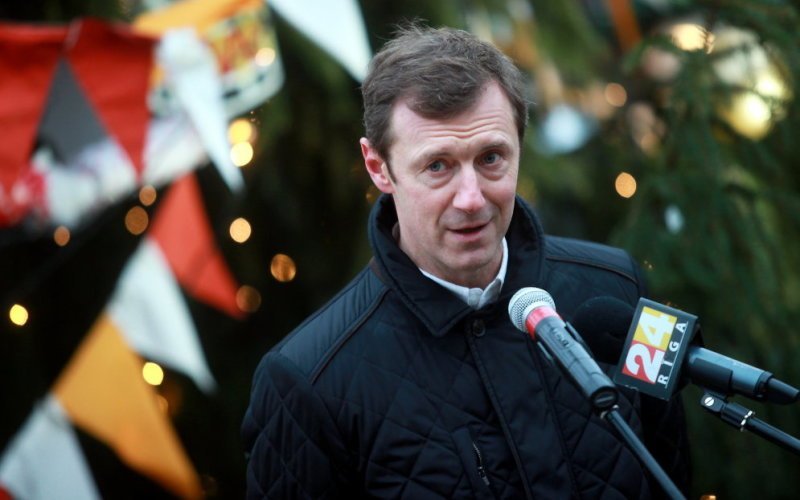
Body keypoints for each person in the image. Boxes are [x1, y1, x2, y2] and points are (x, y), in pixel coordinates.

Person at [242, 23, 690, 499]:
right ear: (378, 168)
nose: (472, 198)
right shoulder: (305, 382)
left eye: (491, 157)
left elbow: (674, 476)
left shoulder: (620, 285)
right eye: (437, 166)